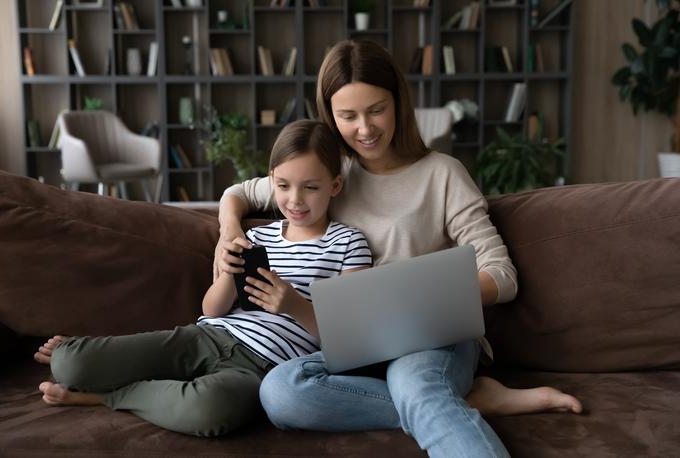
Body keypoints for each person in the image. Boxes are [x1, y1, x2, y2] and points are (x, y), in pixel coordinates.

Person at [213, 40, 582, 457]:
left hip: (429, 336)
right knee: (281, 391)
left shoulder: (442, 174)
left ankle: (432, 400)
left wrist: (417, 296)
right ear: (330, 116)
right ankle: (461, 402)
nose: (365, 129)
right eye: (348, 116)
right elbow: (238, 193)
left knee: (414, 384)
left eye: (376, 110)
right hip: (357, 342)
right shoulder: (328, 175)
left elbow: (502, 275)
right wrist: (229, 230)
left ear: (398, 104)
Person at [34, 119, 373, 437]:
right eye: (283, 186)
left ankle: (110, 396)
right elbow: (211, 309)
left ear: (335, 185)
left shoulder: (348, 243)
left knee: (211, 411)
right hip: (207, 337)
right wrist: (228, 273)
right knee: (69, 363)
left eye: (310, 187)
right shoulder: (261, 237)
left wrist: (294, 305)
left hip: (261, 368)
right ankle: (93, 371)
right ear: (272, 181)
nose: (295, 200)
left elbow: (350, 339)